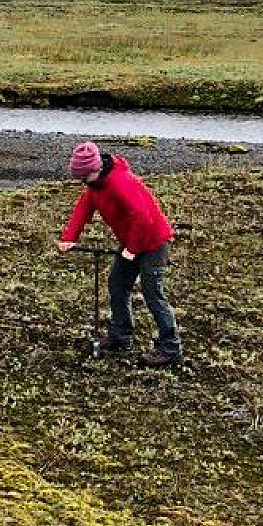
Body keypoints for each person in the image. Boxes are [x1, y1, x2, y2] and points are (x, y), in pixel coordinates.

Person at [55, 140, 181, 367]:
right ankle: (121, 336)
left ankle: (170, 348)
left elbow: (143, 217)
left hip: (154, 242)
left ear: (94, 169)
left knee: (153, 295)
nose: (81, 182)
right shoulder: (95, 186)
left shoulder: (121, 182)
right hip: (131, 242)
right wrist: (69, 239)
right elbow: (83, 209)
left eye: (83, 177)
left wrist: (132, 249)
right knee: (117, 284)